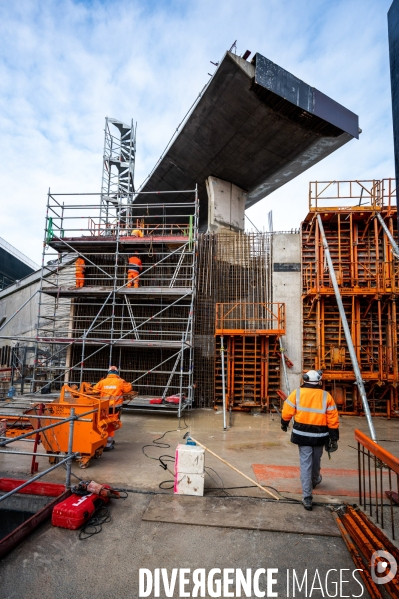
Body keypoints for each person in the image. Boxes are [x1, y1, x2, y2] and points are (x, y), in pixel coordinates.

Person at [281, 369, 339, 511]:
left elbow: (287, 411)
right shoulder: (326, 396)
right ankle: (314, 480)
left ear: (304, 380)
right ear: (319, 381)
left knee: (305, 463)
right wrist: (334, 437)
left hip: (302, 435)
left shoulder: (297, 393)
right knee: (316, 459)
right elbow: (332, 418)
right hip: (320, 436)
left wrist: (284, 423)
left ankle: (307, 497)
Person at [92, 366, 132, 450]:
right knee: (111, 424)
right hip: (115, 407)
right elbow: (128, 388)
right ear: (117, 373)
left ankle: (102, 440)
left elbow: (94, 390)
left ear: (108, 372)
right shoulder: (120, 382)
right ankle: (107, 445)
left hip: (104, 407)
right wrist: (125, 382)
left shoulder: (102, 382)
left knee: (103, 423)